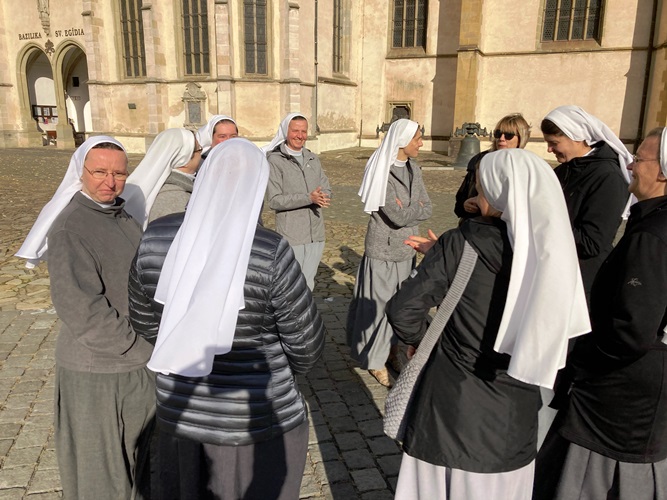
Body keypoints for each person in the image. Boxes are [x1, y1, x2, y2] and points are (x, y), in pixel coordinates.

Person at [385, 149, 590, 499]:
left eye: (480, 189)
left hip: (451, 409)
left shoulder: (461, 242)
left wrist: (421, 339)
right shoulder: (556, 255)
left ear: (496, 192)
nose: (476, 195)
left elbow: (404, 309)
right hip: (516, 418)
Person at [128, 138, 326, 499]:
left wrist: (185, 349)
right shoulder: (269, 250)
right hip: (254, 418)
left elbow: (144, 321)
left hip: (181, 410)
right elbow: (305, 344)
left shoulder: (155, 237)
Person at [15, 136, 155, 499]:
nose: (110, 182)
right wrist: (140, 349)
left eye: (119, 174)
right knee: (102, 478)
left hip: (132, 366)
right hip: (99, 370)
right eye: (100, 172)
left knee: (139, 468)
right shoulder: (71, 227)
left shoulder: (122, 216)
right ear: (81, 173)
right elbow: (82, 309)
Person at [534, 128, 667, 500]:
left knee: (585, 481)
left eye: (639, 159)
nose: (631, 165)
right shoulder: (652, 224)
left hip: (618, 397)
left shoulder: (652, 236)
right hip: (647, 389)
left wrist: (584, 359)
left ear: (663, 172)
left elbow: (632, 329)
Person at [347, 119, 432, 387]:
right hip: (383, 250)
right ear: (403, 140)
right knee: (379, 308)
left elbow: (428, 206)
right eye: (417, 138)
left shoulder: (414, 168)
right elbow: (395, 216)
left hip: (408, 249)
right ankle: (374, 360)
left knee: (399, 306)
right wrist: (413, 209)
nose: (421, 143)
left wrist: (409, 209)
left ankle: (392, 351)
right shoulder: (381, 171)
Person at [541, 105, 631, 300]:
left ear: (577, 137)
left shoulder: (607, 177)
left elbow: (592, 243)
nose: (549, 149)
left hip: (584, 284)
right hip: (556, 274)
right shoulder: (562, 171)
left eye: (554, 143)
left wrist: (542, 222)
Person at [265, 113, 331, 290]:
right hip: (292, 234)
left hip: (316, 234)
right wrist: (309, 198)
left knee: (309, 284)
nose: (300, 136)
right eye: (295, 131)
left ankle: (306, 309)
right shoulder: (275, 161)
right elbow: (274, 200)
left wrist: (324, 196)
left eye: (304, 131)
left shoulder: (312, 158)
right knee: (291, 285)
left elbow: (326, 187)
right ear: (286, 132)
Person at [454, 113, 531, 220]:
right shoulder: (480, 160)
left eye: (508, 135)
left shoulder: (526, 165)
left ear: (521, 138)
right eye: (498, 134)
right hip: (473, 223)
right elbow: (461, 199)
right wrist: (465, 204)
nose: (502, 138)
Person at [123, 128, 202, 227]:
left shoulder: (166, 188)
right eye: (199, 149)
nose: (201, 154)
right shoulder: (175, 198)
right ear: (184, 159)